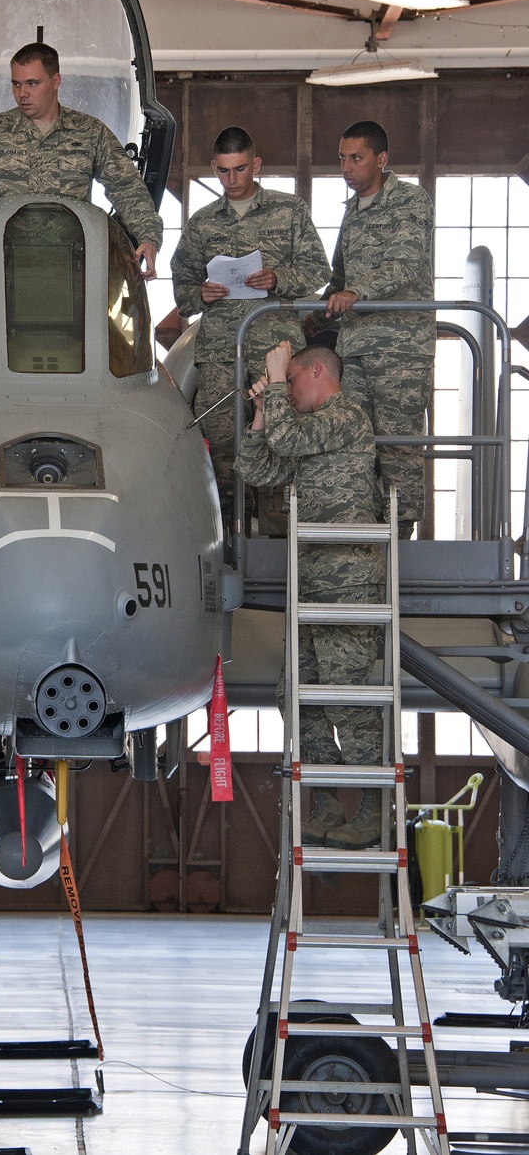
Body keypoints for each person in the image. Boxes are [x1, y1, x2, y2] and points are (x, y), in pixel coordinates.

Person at [235, 342, 385, 848]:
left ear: (317, 372)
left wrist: (276, 385)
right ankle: (324, 802)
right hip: (311, 583)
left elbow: (290, 439)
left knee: (346, 699)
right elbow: (256, 469)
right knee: (296, 696)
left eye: (295, 380)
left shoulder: (346, 416)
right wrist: (261, 410)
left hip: (347, 582)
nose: (290, 389)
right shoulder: (300, 430)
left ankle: (373, 809)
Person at [171, 127, 329, 525]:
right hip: (221, 356)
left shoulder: (289, 210)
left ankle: (276, 541)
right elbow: (181, 287)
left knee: (281, 438)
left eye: (240, 169)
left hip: (274, 354)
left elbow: (318, 270)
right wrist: (200, 295)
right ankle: (227, 535)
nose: (232, 179)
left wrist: (279, 278)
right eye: (223, 171)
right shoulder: (202, 223)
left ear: (255, 164)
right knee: (222, 449)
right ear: (213, 168)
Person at [0, 42, 162, 286]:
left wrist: (148, 237)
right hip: (4, 266)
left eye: (33, 83)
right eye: (16, 84)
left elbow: (127, 188)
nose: (22, 93)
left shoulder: (90, 133)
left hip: (71, 268)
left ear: (56, 82)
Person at [319, 120, 434, 540]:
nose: (346, 167)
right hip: (357, 349)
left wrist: (354, 292)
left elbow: (404, 264)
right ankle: (366, 541)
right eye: (342, 159)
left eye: (356, 158)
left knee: (398, 449)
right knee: (356, 446)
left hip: (401, 350)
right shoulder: (351, 214)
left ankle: (402, 541)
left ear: (381, 160)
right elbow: (339, 277)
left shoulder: (410, 201)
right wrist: (313, 312)